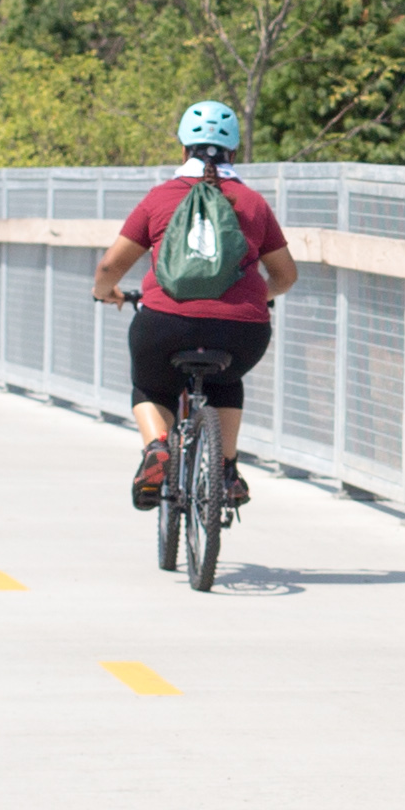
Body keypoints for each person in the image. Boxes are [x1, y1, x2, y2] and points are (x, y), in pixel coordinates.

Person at [90, 100, 293, 511]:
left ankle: (156, 449)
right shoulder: (253, 203)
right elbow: (286, 275)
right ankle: (227, 470)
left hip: (167, 322)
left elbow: (111, 264)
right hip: (243, 330)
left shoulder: (160, 198)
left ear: (183, 150)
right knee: (225, 378)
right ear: (234, 153)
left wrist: (104, 292)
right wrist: (256, 297)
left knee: (151, 385)